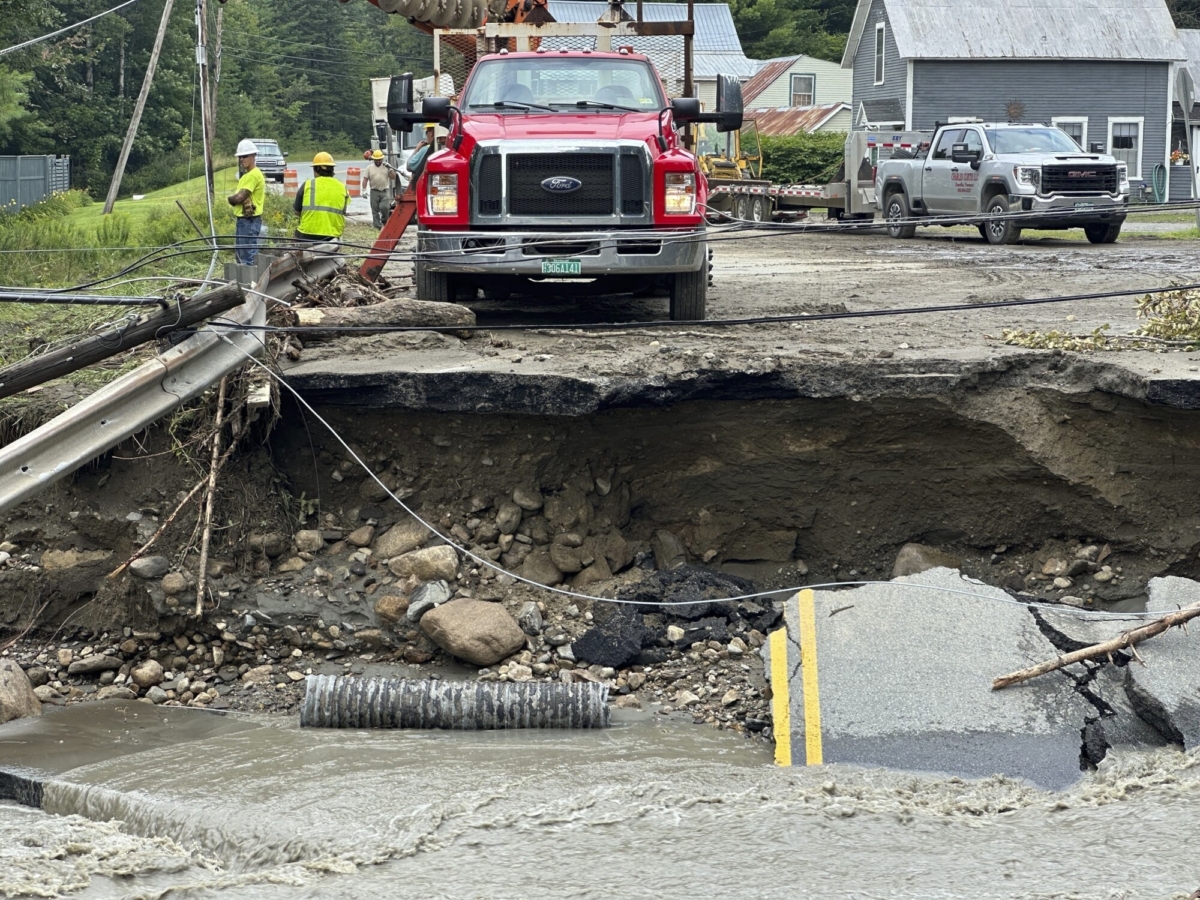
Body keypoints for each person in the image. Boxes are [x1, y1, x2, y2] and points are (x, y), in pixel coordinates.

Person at [293, 151, 350, 242]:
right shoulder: (342, 187)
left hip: (306, 234)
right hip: (332, 236)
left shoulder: (307, 185)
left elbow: (297, 212)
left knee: (295, 245)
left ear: (318, 169)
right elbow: (343, 211)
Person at [227, 139, 265, 266]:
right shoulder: (248, 175)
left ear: (253, 156)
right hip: (245, 220)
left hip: (249, 221)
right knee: (241, 255)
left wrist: (230, 199)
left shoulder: (252, 175)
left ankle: (251, 283)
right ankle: (245, 282)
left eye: (244, 156)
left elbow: (239, 198)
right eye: (240, 157)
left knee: (247, 258)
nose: (241, 159)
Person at [362, 149, 397, 228]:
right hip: (374, 191)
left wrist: (390, 169)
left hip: (384, 191)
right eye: (376, 160)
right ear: (373, 159)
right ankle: (377, 226)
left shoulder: (386, 167)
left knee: (384, 207)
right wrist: (364, 190)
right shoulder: (369, 168)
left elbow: (393, 177)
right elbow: (365, 179)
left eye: (379, 160)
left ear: (382, 159)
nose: (378, 161)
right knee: (375, 210)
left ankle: (385, 220)